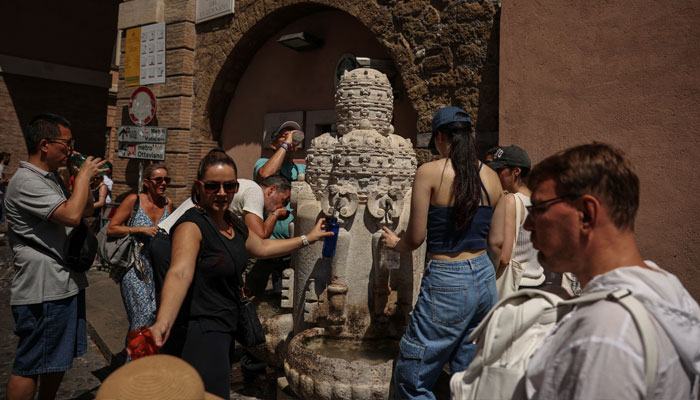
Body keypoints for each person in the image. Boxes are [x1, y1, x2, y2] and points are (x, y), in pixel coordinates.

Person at [523, 142, 700, 399]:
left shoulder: (605, 334)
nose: (528, 225)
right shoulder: (668, 290)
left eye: (538, 209)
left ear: (586, 213)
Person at [150, 149, 331, 399]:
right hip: (201, 330)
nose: (222, 193)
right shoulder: (192, 226)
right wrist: (162, 321)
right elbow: (179, 272)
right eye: (213, 186)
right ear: (199, 187)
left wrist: (307, 238)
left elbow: (261, 246)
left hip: (224, 328)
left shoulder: (231, 221)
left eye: (229, 186)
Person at [381, 106, 504, 399]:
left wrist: (394, 243)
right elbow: (497, 244)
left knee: (412, 377)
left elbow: (416, 237)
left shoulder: (429, 172)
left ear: (439, 137)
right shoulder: (492, 178)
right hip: (485, 278)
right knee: (466, 375)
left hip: (447, 280)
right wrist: (486, 277)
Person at [4, 114, 106, 400]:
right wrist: (83, 176)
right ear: (45, 144)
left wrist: (84, 183)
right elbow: (72, 217)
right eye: (67, 143)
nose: (71, 149)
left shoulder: (48, 179)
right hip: (43, 288)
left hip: (62, 283)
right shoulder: (26, 181)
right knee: (30, 364)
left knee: (56, 360)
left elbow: (84, 211)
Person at [107, 164, 174, 350]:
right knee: (144, 314)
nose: (163, 183)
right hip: (134, 266)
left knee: (150, 317)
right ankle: (134, 365)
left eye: (166, 180)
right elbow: (112, 228)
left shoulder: (168, 203)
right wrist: (139, 229)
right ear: (146, 182)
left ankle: (136, 354)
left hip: (158, 269)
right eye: (158, 179)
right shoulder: (133, 200)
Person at [487, 145, 548, 289]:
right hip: (539, 282)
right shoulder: (538, 200)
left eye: (500, 170)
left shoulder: (511, 201)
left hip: (515, 285)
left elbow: (504, 258)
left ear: (516, 171)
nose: (495, 174)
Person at [0, 151, 10, 228]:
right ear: (4, 158)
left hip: (2, 192)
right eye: (8, 158)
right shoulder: (0, 167)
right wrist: (8, 180)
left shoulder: (2, 167)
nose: (9, 160)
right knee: (1, 212)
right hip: (0, 193)